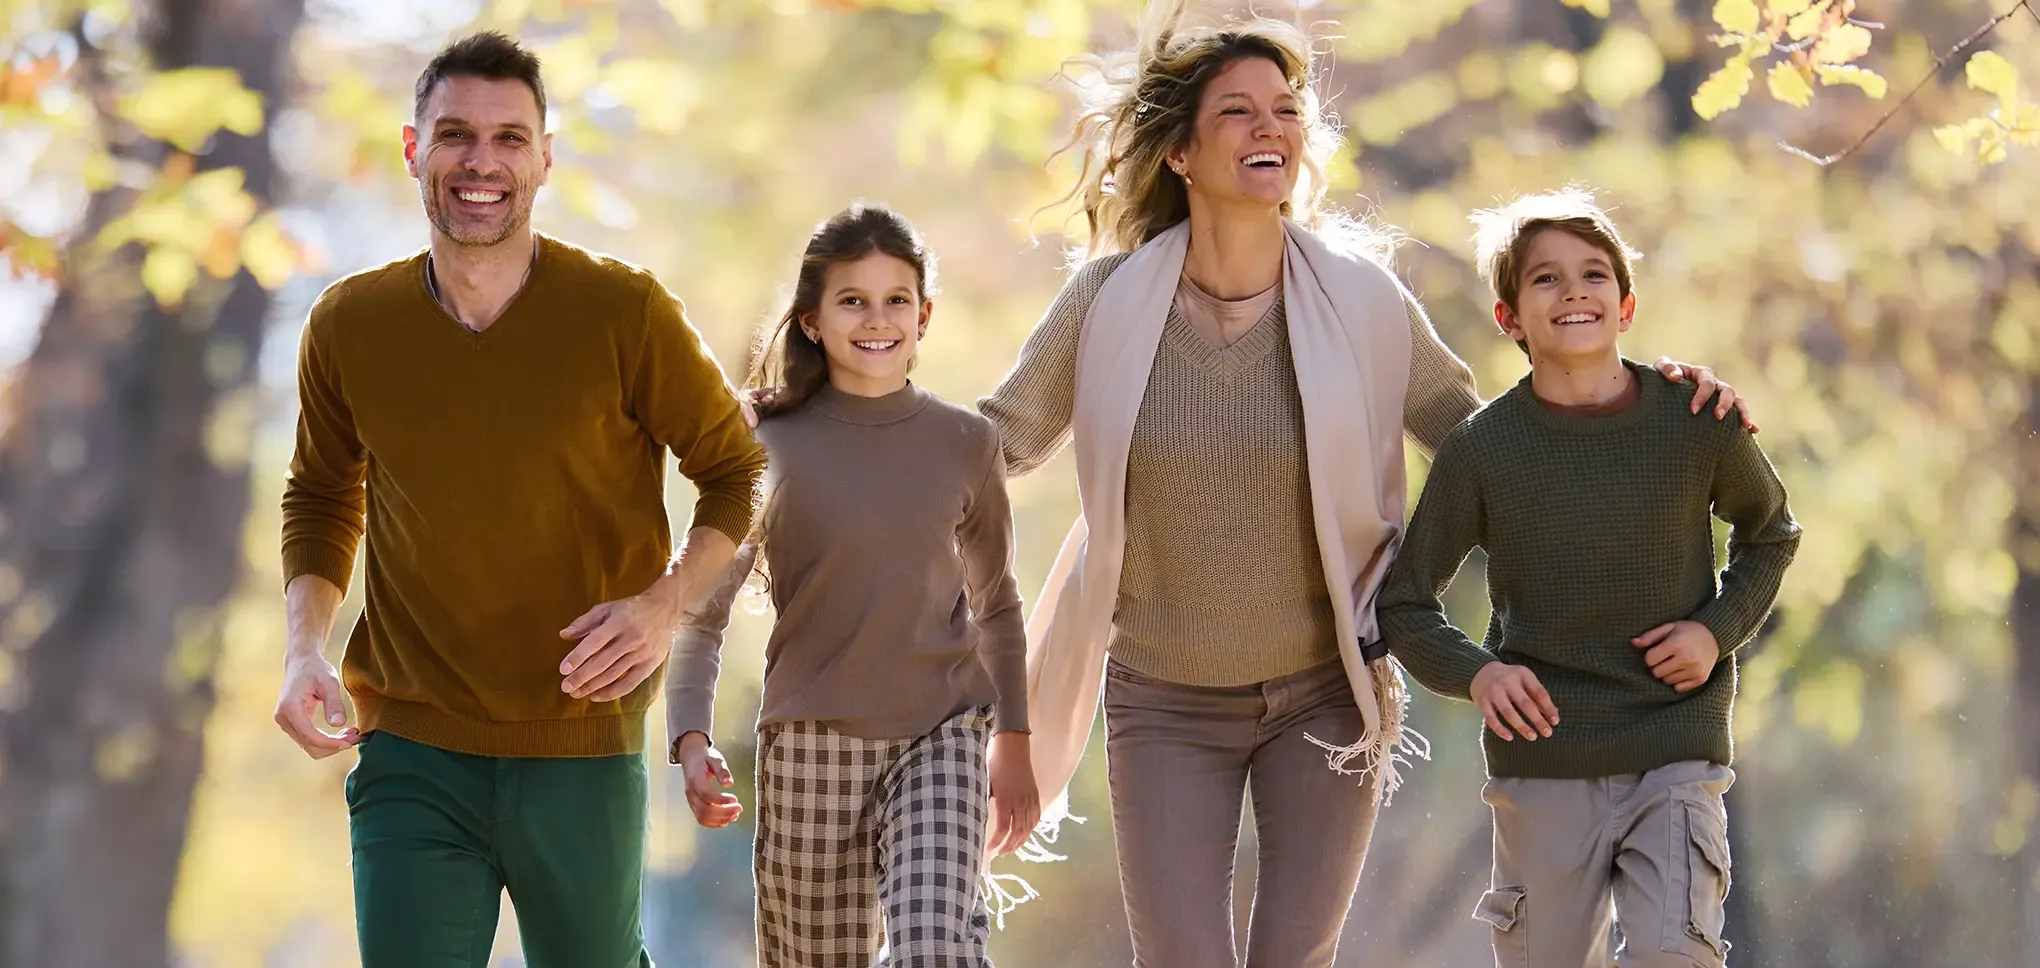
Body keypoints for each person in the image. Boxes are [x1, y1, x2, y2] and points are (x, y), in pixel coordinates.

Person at [975, 7, 1759, 967]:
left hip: (1326, 696)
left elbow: (1494, 451)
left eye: (1285, 108)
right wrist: (854, 419)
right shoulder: (1106, 304)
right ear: (1179, 152)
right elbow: (993, 444)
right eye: (1237, 111)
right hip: (1165, 700)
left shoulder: (1361, 300)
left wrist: (1648, 401)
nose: (1270, 126)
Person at [272, 31, 765, 968]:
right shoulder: (348, 324)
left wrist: (663, 606)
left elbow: (736, 471)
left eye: (509, 138)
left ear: (544, 158)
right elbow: (323, 496)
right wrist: (303, 650)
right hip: (411, 744)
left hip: (582, 738)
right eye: (455, 134)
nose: (481, 162)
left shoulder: (625, 313)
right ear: (414, 149)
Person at [1376, 188, 1802, 968]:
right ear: (1509, 318)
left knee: (1677, 954)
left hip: (1674, 753)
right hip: (1543, 762)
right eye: (1545, 278)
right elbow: (1404, 603)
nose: (1573, 291)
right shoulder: (1482, 451)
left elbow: (1771, 532)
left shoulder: (1694, 419)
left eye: (1594, 274)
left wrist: (1715, 631)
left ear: (1626, 306)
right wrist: (1478, 674)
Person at [667, 203, 1041, 968]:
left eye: (896, 299)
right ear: (812, 321)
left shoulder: (966, 443)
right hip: (810, 745)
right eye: (852, 300)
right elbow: (703, 615)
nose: (877, 319)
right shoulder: (766, 444)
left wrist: (1015, 743)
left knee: (935, 946)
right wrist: (692, 738)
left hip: (942, 736)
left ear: (924, 315)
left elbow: (998, 605)